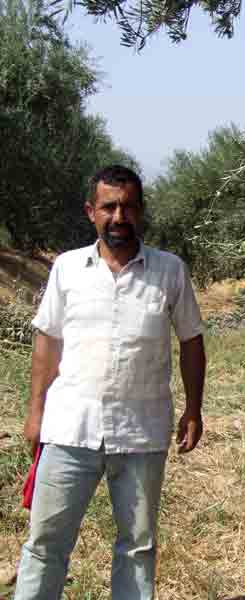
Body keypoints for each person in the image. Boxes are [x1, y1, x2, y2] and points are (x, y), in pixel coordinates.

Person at [15, 165, 206, 600]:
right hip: (69, 428)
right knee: (45, 543)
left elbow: (191, 340)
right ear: (91, 211)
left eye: (129, 207)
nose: (120, 217)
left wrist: (194, 408)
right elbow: (48, 341)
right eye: (109, 207)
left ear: (141, 211)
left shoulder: (170, 271)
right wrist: (35, 412)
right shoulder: (67, 268)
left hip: (141, 431)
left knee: (137, 546)